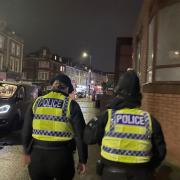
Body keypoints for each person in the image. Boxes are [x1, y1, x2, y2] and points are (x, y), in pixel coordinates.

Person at [84, 70, 166, 180]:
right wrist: (148, 168)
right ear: (138, 96)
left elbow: (88, 138)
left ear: (117, 92)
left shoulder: (107, 116)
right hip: (141, 173)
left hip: (110, 173)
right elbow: (161, 152)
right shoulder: (149, 119)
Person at [22, 73, 88, 180]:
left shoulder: (37, 102)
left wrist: (26, 152)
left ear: (52, 86)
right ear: (66, 89)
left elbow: (26, 130)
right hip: (62, 158)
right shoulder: (71, 105)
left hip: (37, 157)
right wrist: (82, 160)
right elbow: (80, 136)